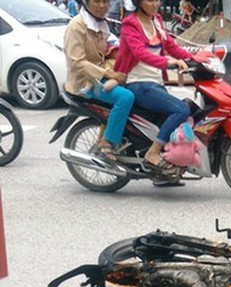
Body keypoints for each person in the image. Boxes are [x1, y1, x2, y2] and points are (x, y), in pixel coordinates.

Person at [114, 0, 205, 173]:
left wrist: (196, 58)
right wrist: (168, 62)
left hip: (156, 83)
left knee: (173, 119)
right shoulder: (130, 24)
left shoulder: (157, 20)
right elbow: (140, 52)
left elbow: (171, 45)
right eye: (149, 0)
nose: (154, 3)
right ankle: (153, 153)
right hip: (138, 83)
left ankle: (162, 173)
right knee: (181, 109)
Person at [64, 0, 135, 161]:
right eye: (97, 1)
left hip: (100, 75)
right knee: (125, 97)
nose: (102, 6)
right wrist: (109, 73)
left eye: (106, 2)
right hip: (85, 82)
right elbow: (77, 62)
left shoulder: (102, 23)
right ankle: (106, 142)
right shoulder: (76, 26)